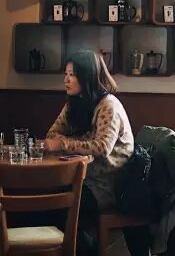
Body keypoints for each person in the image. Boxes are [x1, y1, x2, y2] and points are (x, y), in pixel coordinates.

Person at [44, 50, 134, 253]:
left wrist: (65, 144)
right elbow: (51, 135)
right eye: (66, 74)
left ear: (87, 77)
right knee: (46, 201)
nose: (66, 80)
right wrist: (66, 142)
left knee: (61, 207)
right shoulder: (74, 103)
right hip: (81, 178)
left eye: (72, 75)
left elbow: (102, 147)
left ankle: (83, 249)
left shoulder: (108, 105)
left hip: (107, 185)